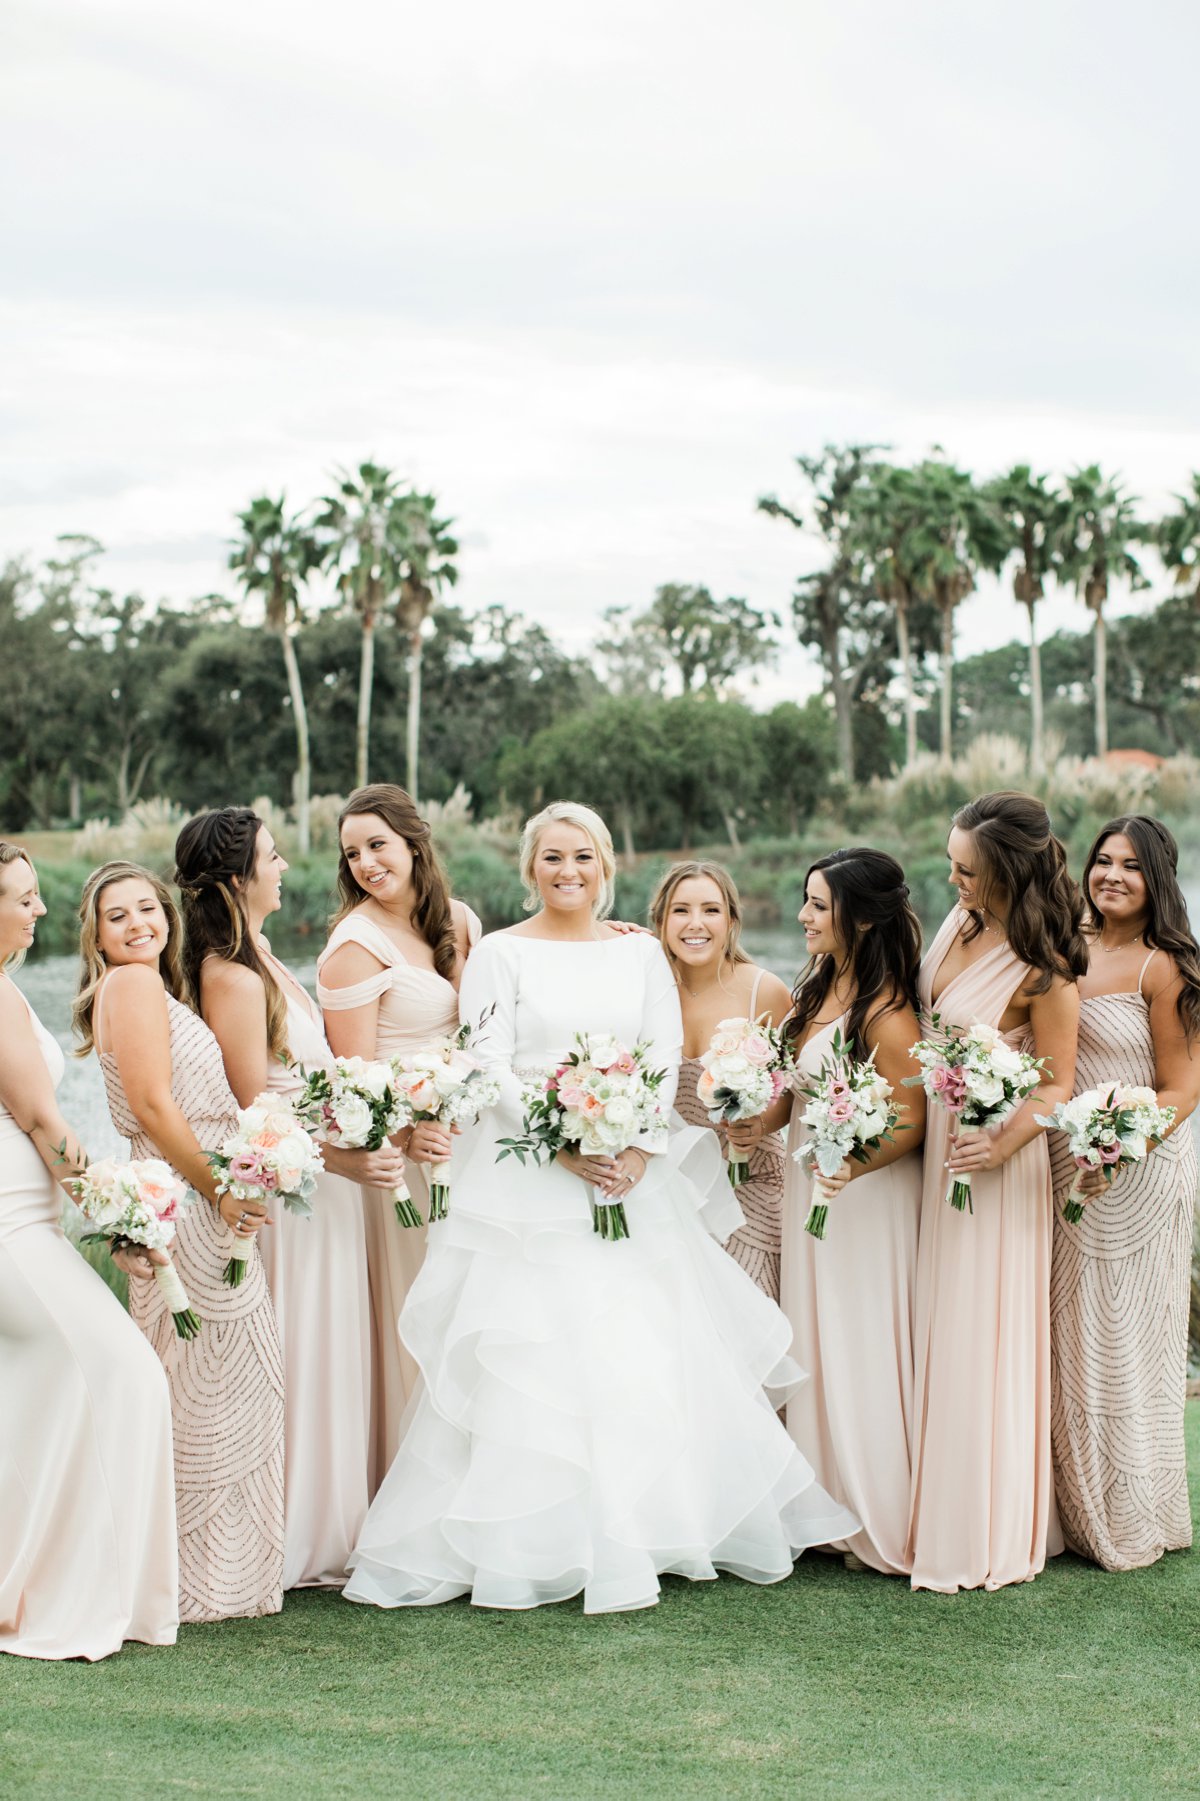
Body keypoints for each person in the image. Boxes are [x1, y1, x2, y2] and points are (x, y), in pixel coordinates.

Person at [343, 800, 857, 1615]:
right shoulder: (500, 954)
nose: (567, 871)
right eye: (551, 857)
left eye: (581, 856)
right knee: (531, 1353)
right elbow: (490, 1060)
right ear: (529, 867)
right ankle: (526, 1542)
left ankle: (650, 1528)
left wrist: (636, 1144)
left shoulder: (642, 953)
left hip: (629, 1174)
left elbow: (658, 1054)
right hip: (528, 1174)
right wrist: (561, 1139)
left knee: (635, 1346)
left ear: (605, 863)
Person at [176, 807, 396, 1588]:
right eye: (273, 856)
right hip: (294, 1203)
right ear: (239, 878)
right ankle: (297, 1532)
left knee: (335, 1349)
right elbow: (252, 1116)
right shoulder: (229, 976)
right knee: (306, 1353)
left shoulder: (262, 956)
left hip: (327, 1190)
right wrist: (342, 1157)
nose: (285, 868)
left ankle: (336, 1520)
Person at [76, 858, 285, 1622]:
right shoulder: (129, 986)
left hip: (197, 1198)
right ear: (96, 936)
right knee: (207, 1386)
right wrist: (221, 1189)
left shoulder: (160, 991)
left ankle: (213, 1577)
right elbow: (156, 1108)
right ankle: (198, 1583)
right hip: (190, 1204)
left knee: (225, 1381)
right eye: (117, 916)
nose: (139, 925)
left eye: (148, 909)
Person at [0, 843, 178, 1660]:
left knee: (43, 1405)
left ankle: (39, 1584)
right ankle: (69, 1597)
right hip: (13, 1232)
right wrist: (120, 1216)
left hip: (28, 1223)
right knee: (128, 1375)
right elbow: (43, 1124)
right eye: (23, 897)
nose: (39, 910)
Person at [907, 792, 1086, 1593]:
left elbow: (1055, 1088)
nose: (951, 878)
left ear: (1008, 869)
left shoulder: (1046, 966)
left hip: (994, 1160)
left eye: (967, 869)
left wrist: (998, 1138)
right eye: (950, 862)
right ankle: (921, 1504)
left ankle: (980, 1524)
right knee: (936, 1322)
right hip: (936, 1149)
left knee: (983, 1333)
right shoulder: (957, 923)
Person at [732, 848, 926, 1577]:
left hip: (862, 1200)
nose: (805, 915)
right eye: (806, 901)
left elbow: (910, 1121)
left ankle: (871, 1508)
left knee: (860, 1342)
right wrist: (761, 1119)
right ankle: (822, 1506)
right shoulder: (818, 989)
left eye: (818, 904)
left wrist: (848, 1166)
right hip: (816, 1189)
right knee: (816, 1340)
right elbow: (798, 1089)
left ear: (863, 916)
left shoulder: (889, 1010)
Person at [316, 785, 480, 1493]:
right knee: (425, 1312)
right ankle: (420, 1489)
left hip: (471, 1146)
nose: (365, 863)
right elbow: (353, 1080)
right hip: (410, 1166)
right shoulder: (353, 947)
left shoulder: (462, 921)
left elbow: (490, 1026)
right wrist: (412, 1130)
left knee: (482, 1309)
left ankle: (486, 1476)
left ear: (414, 842)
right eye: (352, 852)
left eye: (377, 844)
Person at [1049, 815, 1200, 1569]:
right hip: (1065, 1165)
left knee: (1124, 1337)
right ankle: (1066, 1505)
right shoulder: (1065, 943)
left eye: (1131, 867)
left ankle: (1130, 1510)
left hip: (1136, 1171)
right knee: (1066, 1333)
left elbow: (1182, 1087)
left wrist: (1121, 1141)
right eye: (1103, 861)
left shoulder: (1164, 965)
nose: (1111, 875)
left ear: (1158, 879)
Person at [650, 860, 790, 1299]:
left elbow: (791, 1092)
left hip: (750, 1187)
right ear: (660, 920)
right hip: (667, 1193)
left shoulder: (763, 990)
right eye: (680, 911)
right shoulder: (646, 990)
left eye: (711, 910)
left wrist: (760, 1123)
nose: (696, 924)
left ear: (731, 919)